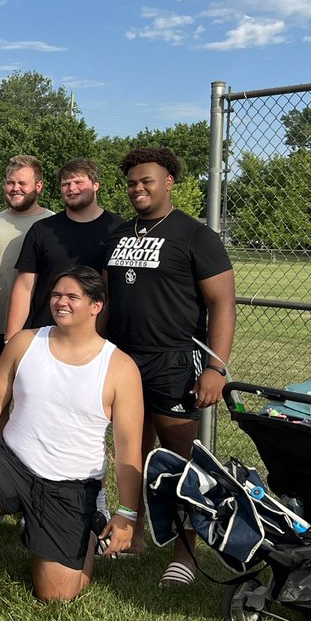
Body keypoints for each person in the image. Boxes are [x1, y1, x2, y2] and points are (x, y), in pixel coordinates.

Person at [0, 267, 144, 609]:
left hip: (70, 484)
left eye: (72, 297)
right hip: (13, 461)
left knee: (56, 594)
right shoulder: (26, 342)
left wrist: (128, 513)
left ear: (96, 306)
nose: (60, 303)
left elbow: (127, 450)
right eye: (55, 295)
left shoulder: (120, 368)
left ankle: (89, 527)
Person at [103, 146, 236, 586]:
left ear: (169, 182)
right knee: (130, 451)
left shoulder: (195, 236)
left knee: (180, 462)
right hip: (123, 360)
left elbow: (222, 304)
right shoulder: (120, 234)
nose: (138, 188)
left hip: (174, 361)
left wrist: (215, 367)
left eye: (147, 181)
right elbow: (106, 301)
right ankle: (131, 534)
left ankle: (185, 554)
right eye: (131, 183)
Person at [5, 159, 122, 339]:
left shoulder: (118, 230)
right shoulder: (42, 230)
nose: (71, 188)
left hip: (97, 339)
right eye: (65, 184)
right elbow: (24, 288)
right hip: (44, 335)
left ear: (96, 185)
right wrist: (10, 339)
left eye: (78, 182)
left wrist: (98, 338)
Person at [0, 155, 53, 378]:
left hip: (38, 331)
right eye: (10, 182)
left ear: (38, 186)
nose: (15, 188)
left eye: (22, 183)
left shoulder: (53, 225)